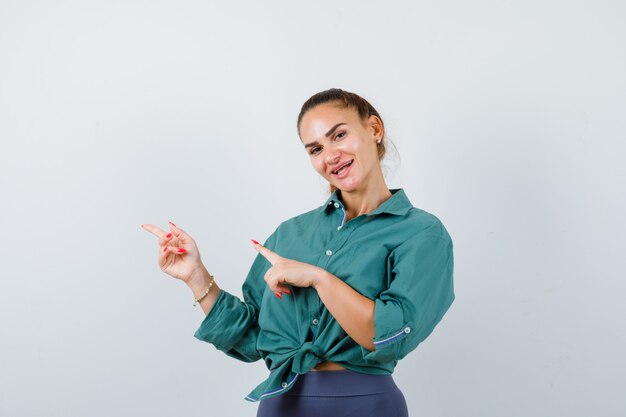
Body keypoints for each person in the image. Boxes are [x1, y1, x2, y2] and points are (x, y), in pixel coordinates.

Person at [141, 88, 455, 417]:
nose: (330, 155)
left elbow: (389, 336)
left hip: (366, 405)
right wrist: (196, 275)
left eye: (340, 135)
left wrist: (319, 279)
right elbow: (252, 339)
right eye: (316, 149)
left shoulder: (421, 233)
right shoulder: (290, 234)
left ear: (374, 129)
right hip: (282, 403)